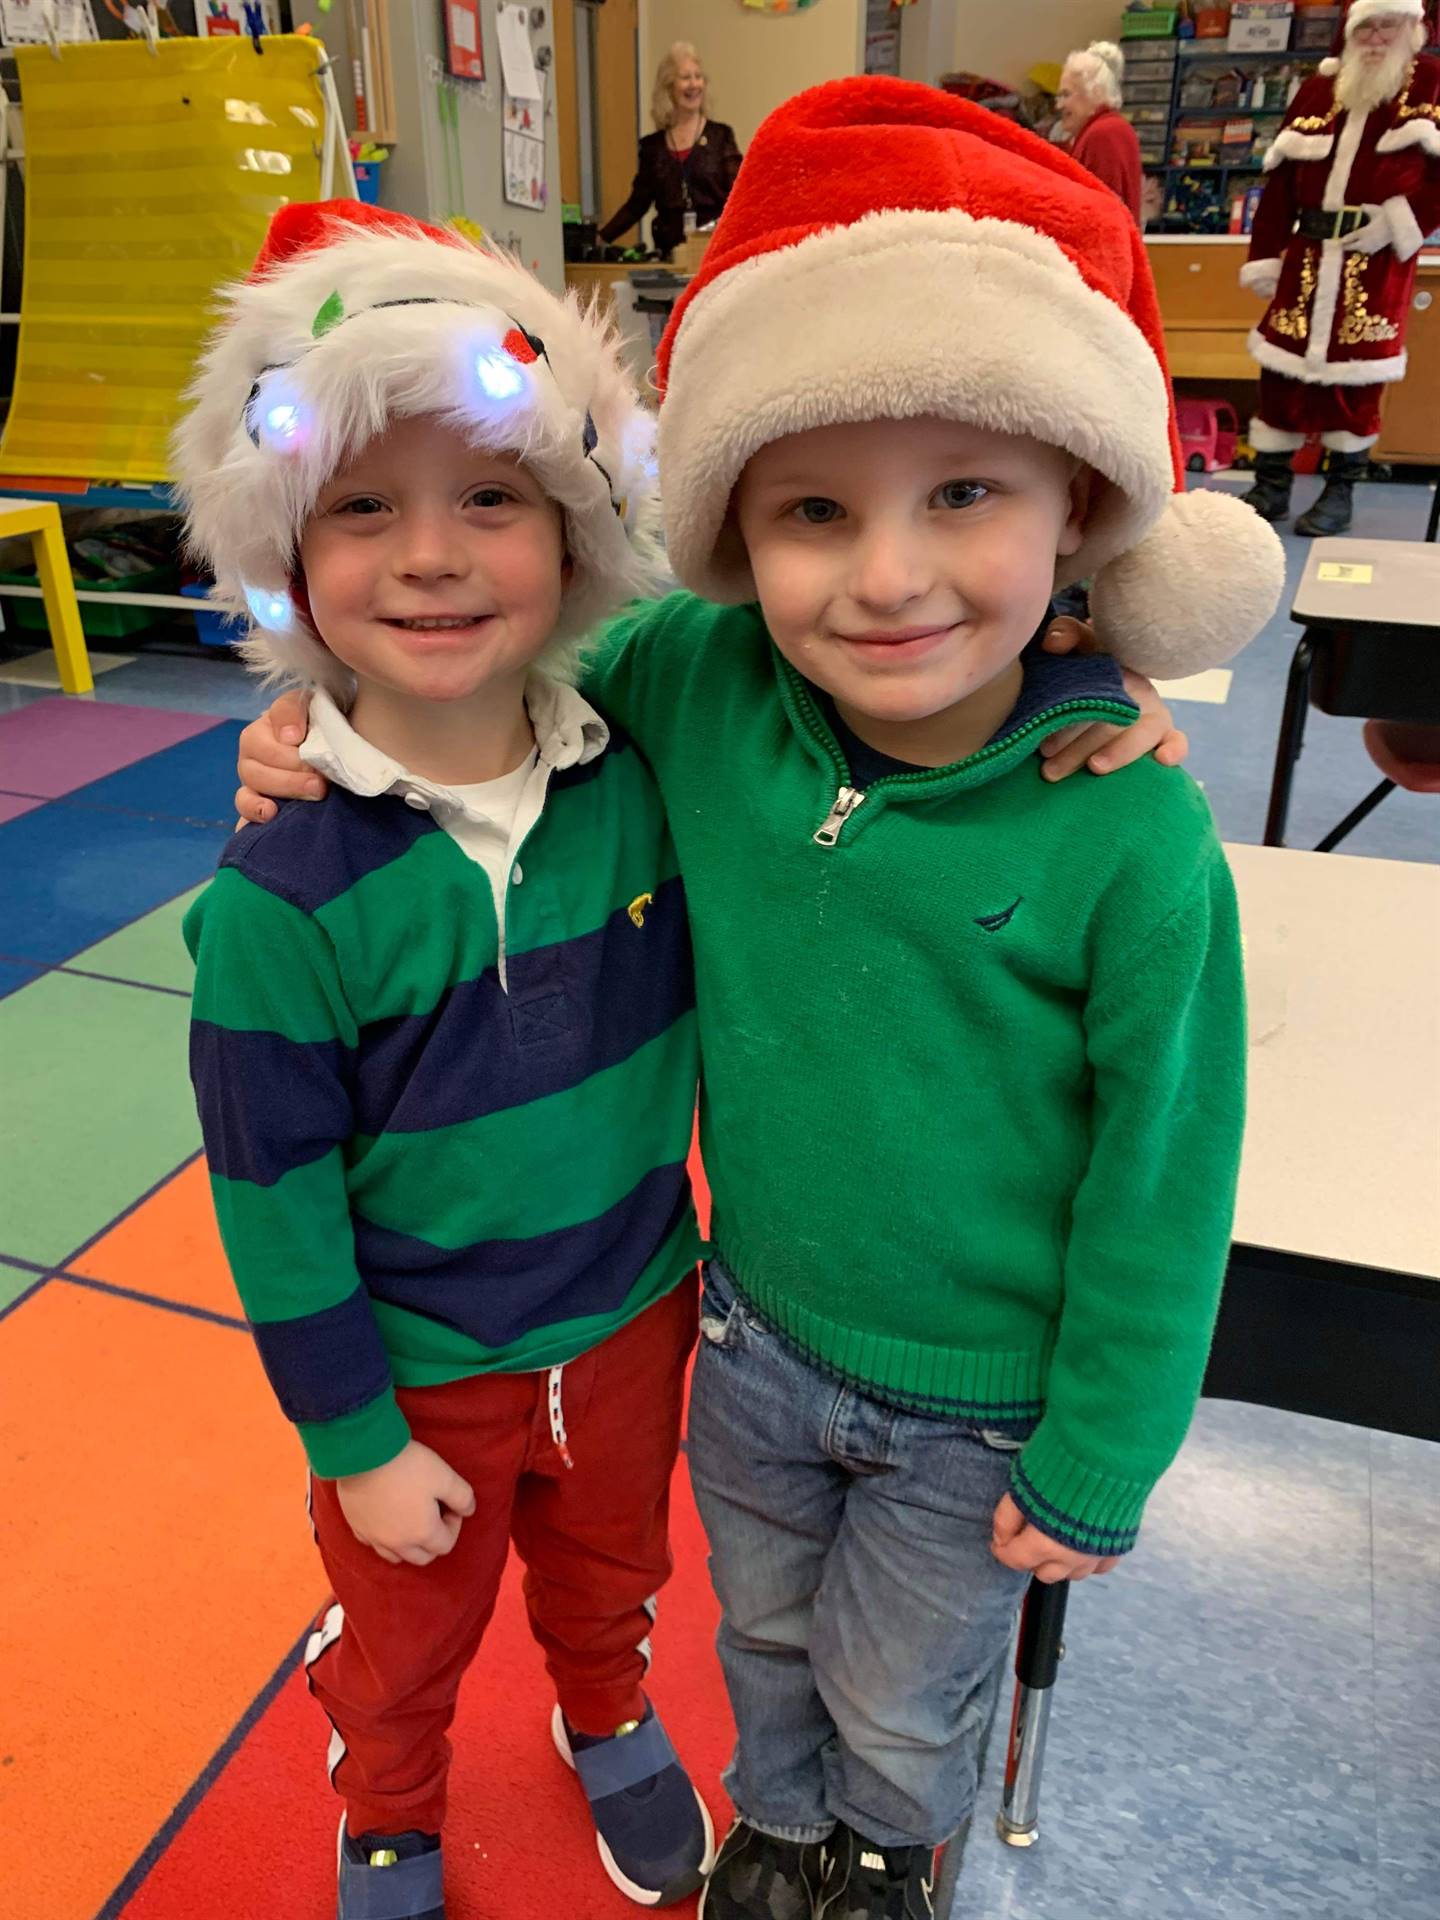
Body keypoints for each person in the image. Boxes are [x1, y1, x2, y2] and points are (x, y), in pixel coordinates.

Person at [233, 80, 1285, 1920]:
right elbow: (460, 670)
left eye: (965, 493)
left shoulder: (1126, 829)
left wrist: (1110, 1440)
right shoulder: (698, 689)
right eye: (811, 511)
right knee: (768, 1638)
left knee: (898, 1679)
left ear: (1089, 518)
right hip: (749, 1346)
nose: (884, 577)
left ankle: (881, 1852)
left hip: (977, 1403)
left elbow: (1169, 1169)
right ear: (732, 530)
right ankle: (775, 1826)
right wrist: (291, 731)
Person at [175, 200, 717, 1919]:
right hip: (416, 1369)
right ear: (284, 550)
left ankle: (608, 1714)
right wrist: (350, 1434)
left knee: (614, 1571)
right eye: (360, 508)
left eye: (489, 495)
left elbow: (858, 693)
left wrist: (1092, 674)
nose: (429, 554)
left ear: (572, 533)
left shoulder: (648, 775)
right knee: (404, 1628)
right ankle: (391, 1803)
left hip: (631, 1315)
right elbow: (273, 1199)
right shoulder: (285, 894)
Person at [1240, 0, 1440, 534]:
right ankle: (1271, 484)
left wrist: (1398, 223)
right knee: (1280, 370)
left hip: (1374, 264)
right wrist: (1264, 256)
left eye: (1387, 25)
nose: (1376, 37)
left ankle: (1340, 489)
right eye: (1366, 26)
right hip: (1304, 258)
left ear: (1412, 28)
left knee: (1356, 380)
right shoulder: (1315, 91)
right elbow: (1280, 186)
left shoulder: (1433, 87)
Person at [600, 42, 743, 257]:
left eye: (698, 76)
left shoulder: (721, 137)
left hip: (716, 254)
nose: (694, 84)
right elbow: (636, 205)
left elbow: (739, 195)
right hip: (669, 257)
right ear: (669, 87)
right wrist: (602, 238)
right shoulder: (652, 147)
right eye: (685, 78)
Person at [1057, 39, 1144, 223]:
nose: (1059, 105)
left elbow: (1101, 218)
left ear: (1094, 92)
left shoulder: (1104, 135)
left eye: (1066, 94)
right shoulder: (1105, 130)